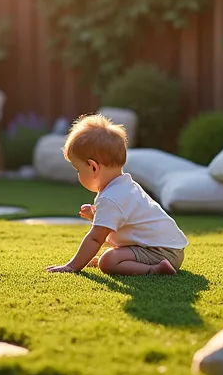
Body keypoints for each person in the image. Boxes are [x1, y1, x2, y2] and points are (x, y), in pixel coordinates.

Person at [46, 114, 188, 275]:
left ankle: (154, 270)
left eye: (78, 169)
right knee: (109, 256)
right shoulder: (125, 186)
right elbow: (122, 221)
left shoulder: (110, 198)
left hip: (160, 253)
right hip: (172, 250)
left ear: (93, 167)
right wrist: (95, 215)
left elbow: (95, 238)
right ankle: (145, 264)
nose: (78, 174)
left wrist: (72, 266)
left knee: (107, 261)